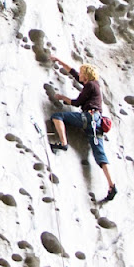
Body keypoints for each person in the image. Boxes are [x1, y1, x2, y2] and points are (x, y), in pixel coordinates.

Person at [49, 55, 117, 202]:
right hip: (96, 124)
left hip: (90, 119)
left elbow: (77, 102)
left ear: (86, 75)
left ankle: (63, 143)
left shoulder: (91, 85)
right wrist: (59, 60)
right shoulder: (94, 86)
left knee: (57, 116)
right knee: (100, 156)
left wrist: (62, 97)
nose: (79, 74)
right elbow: (73, 72)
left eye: (82, 73)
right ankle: (111, 185)